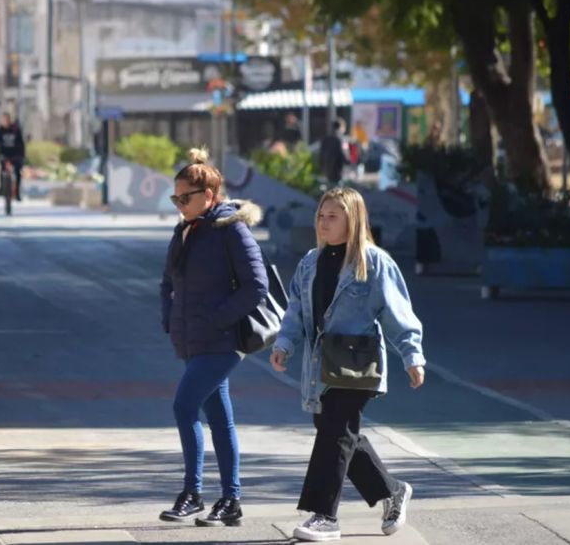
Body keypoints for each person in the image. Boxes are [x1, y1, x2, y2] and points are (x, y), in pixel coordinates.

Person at [269, 188, 426, 542]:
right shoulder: (310, 262)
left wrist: (412, 356)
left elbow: (398, 314)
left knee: (336, 432)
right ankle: (392, 491)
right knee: (337, 432)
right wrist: (284, 344)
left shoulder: (373, 262)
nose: (324, 223)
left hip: (358, 363)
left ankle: (324, 516)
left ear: (352, 220)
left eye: (333, 216)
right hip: (318, 364)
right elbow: (295, 310)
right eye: (321, 216)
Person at [159, 147, 268, 528]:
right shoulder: (186, 229)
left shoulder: (230, 228)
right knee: (219, 418)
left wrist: (219, 319)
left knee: (184, 407)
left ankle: (192, 493)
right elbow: (169, 279)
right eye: (175, 198)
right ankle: (231, 501)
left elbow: (257, 285)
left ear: (208, 196)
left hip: (222, 341)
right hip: (193, 338)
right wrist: (168, 315)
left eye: (184, 198)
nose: (179, 205)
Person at [0, 112, 25, 201]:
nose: (5, 122)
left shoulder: (15, 129)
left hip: (15, 154)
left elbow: (20, 143)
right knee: (2, 170)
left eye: (7, 120)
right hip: (4, 154)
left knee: (17, 172)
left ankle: (17, 192)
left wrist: (22, 155)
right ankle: (1, 188)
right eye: (4, 120)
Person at [319, 119, 350, 186]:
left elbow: (321, 155)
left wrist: (322, 167)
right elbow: (345, 157)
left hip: (327, 171)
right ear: (342, 127)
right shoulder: (341, 139)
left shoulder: (325, 139)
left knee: (330, 192)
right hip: (338, 172)